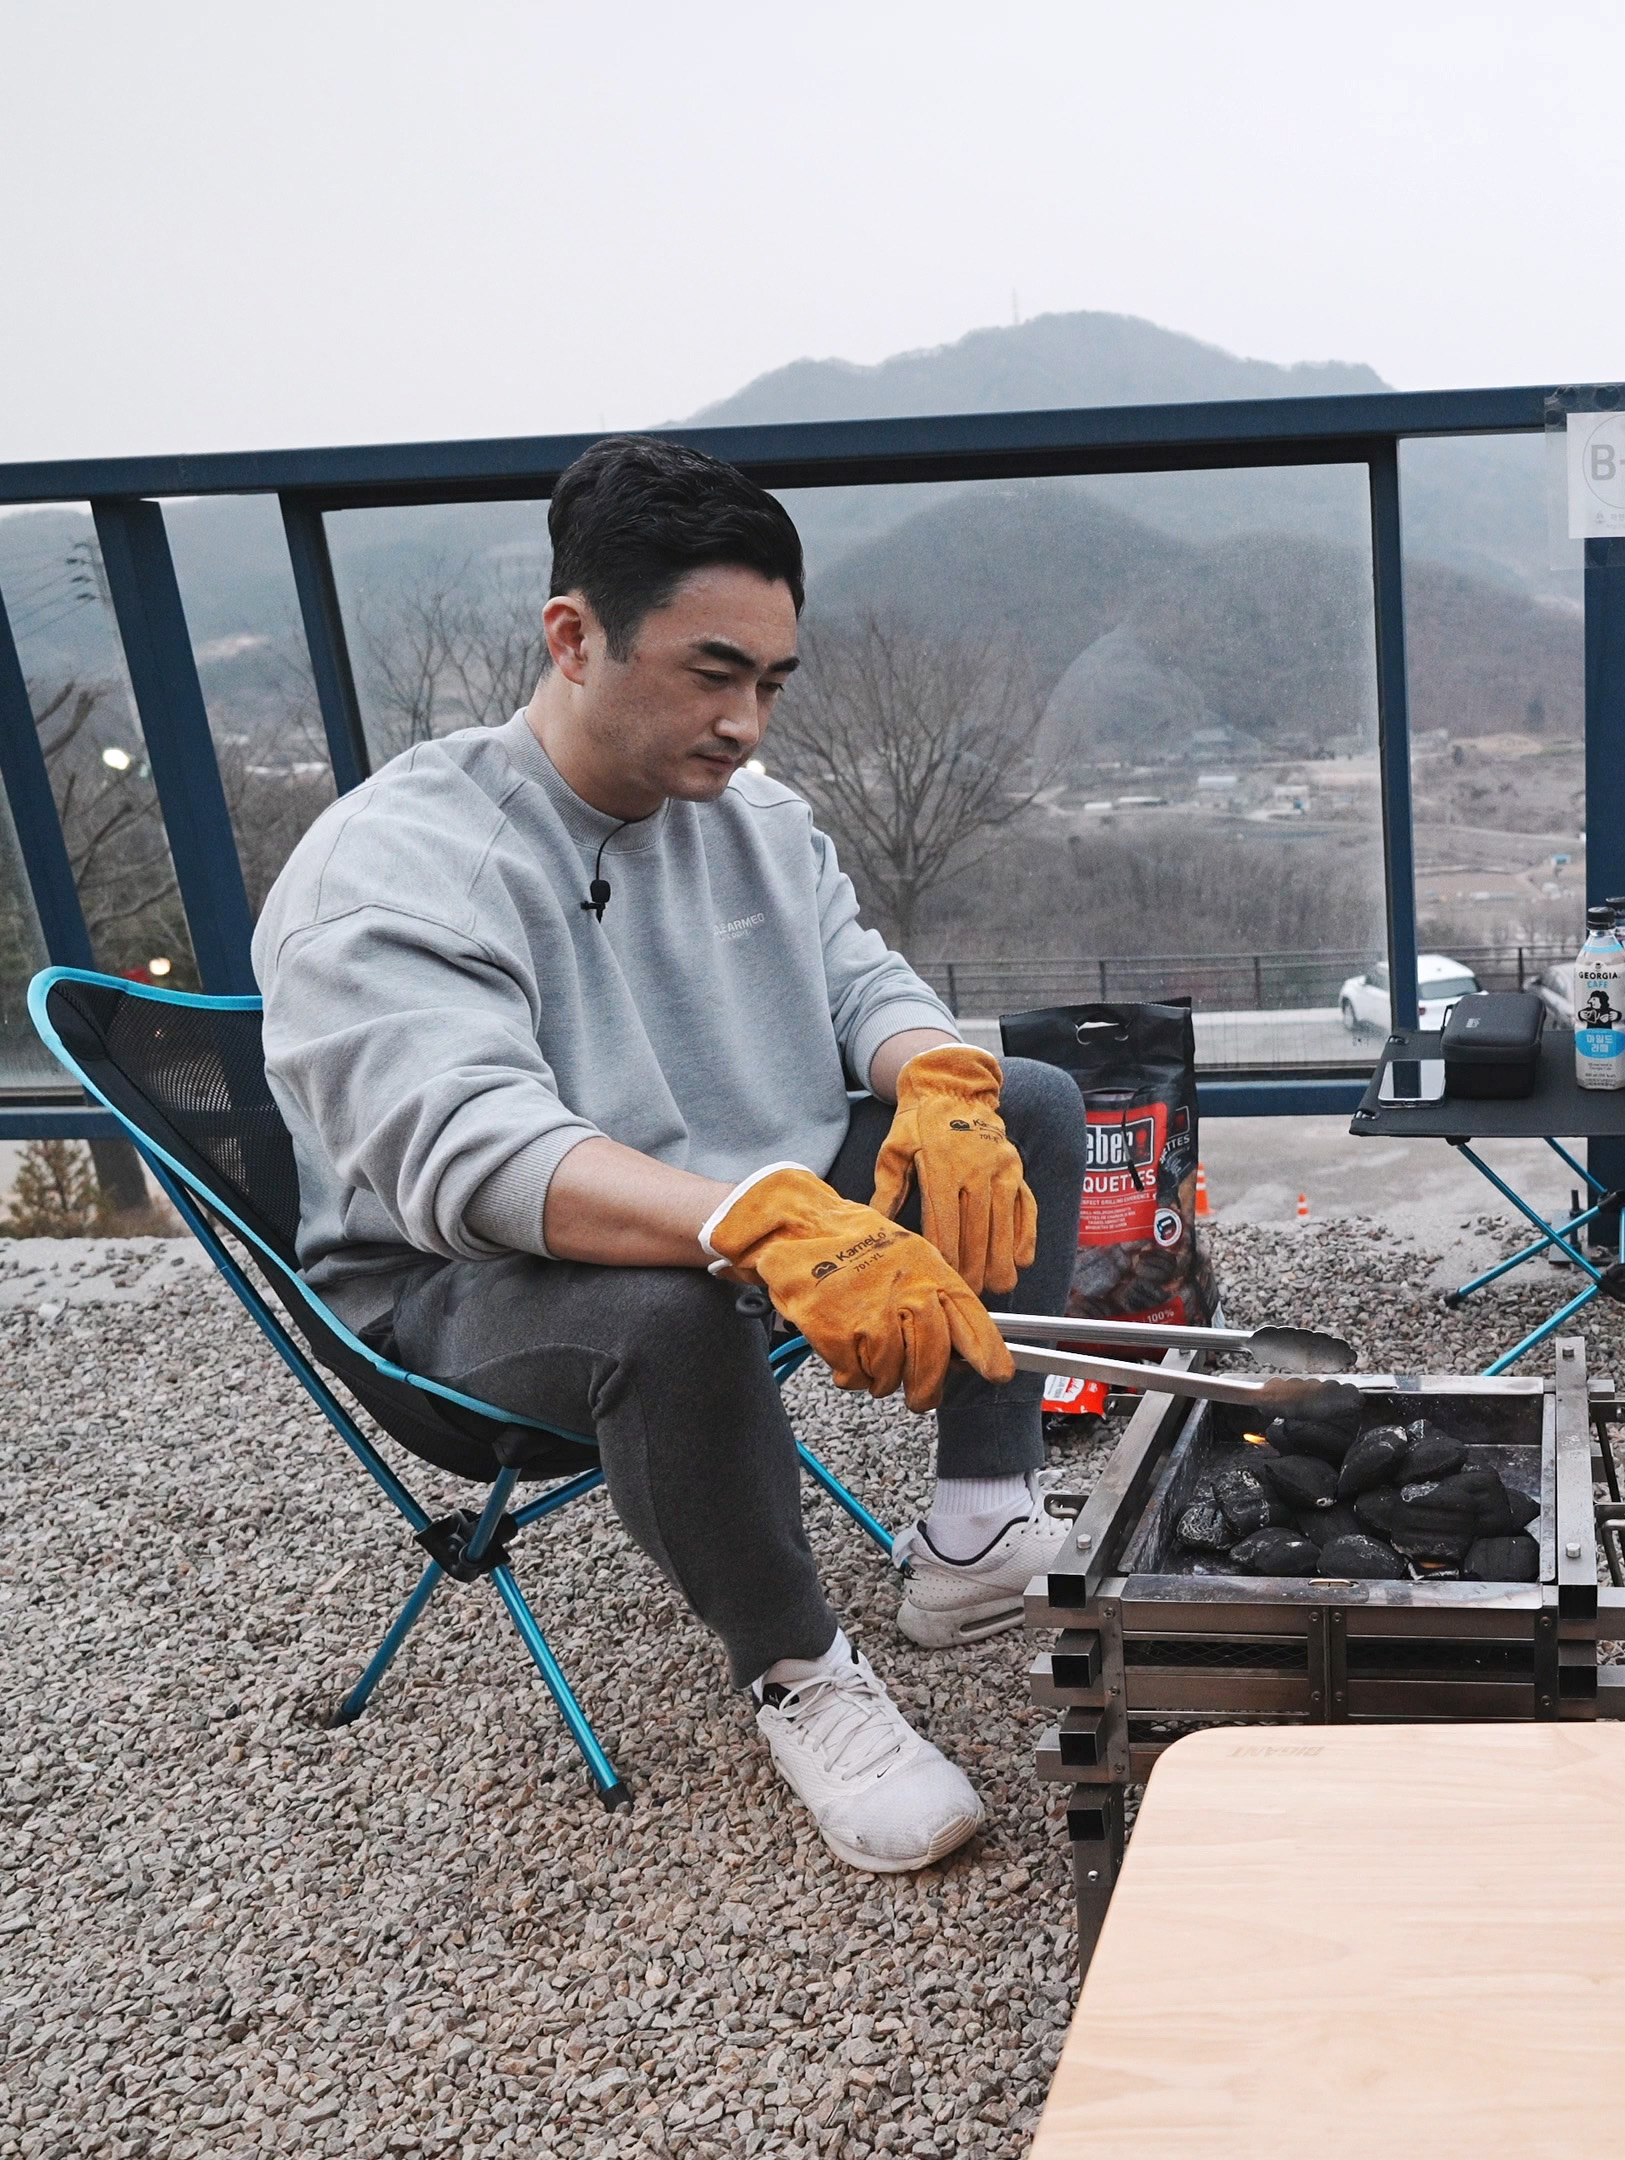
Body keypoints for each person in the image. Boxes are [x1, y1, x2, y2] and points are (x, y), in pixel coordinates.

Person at [253, 436, 1085, 1872]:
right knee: (669, 1302)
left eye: (772, 683)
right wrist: (763, 1221)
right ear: (574, 638)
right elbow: (473, 1158)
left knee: (1032, 1101)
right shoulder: (396, 866)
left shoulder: (749, 817)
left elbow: (862, 982)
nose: (746, 722)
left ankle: (976, 1533)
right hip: (457, 1284)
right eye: (713, 674)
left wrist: (937, 1077)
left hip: (726, 1189)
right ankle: (800, 1671)